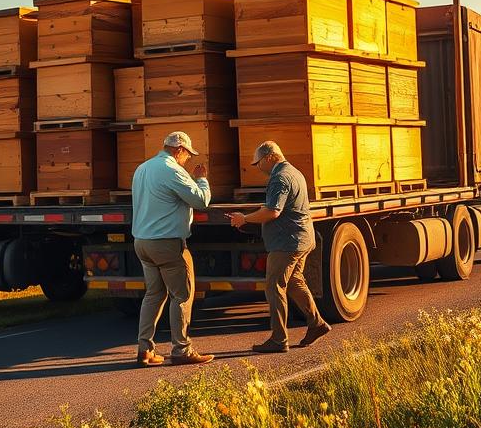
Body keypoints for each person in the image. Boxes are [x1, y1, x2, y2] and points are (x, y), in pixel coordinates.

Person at [229, 140, 331, 353]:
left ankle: (278, 339)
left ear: (269, 157)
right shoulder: (294, 172)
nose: (257, 168)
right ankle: (317, 324)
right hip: (301, 238)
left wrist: (245, 219)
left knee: (274, 286)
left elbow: (273, 211)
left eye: (258, 163)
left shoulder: (279, 177)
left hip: (287, 243)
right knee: (294, 281)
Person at [131, 130, 215, 366]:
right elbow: (200, 201)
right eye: (187, 154)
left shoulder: (142, 168)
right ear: (179, 150)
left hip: (142, 242)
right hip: (167, 243)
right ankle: (181, 349)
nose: (188, 159)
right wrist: (201, 179)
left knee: (153, 294)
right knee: (182, 295)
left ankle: (144, 349)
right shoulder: (173, 170)